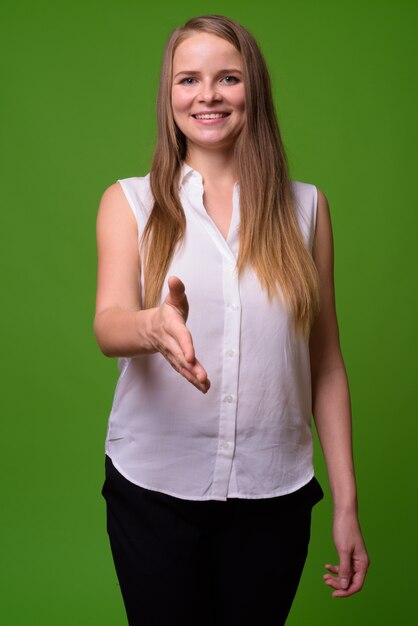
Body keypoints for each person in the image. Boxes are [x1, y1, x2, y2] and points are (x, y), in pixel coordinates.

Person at [94, 14, 369, 626]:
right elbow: (109, 324)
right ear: (169, 98)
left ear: (255, 91)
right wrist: (155, 327)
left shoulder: (307, 208)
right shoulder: (129, 202)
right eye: (188, 79)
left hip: (275, 492)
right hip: (153, 487)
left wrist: (346, 502)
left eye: (228, 78)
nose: (208, 95)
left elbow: (325, 364)